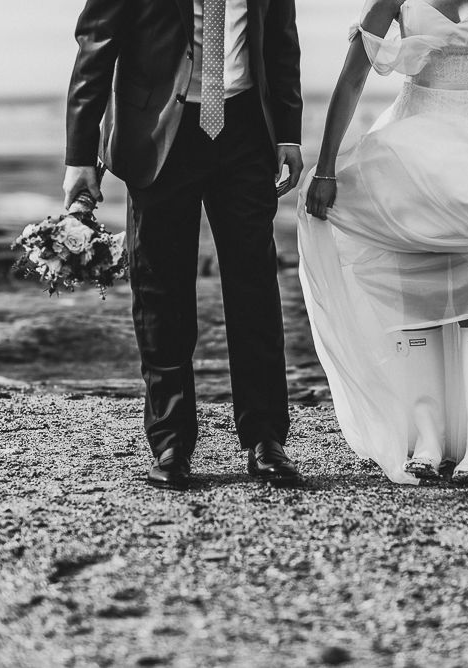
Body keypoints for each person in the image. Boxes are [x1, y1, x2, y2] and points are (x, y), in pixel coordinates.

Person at [63, 0, 304, 490]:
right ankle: (171, 441)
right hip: (158, 136)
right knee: (161, 292)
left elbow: (280, 40)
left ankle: (264, 440)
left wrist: (289, 133)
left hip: (245, 131)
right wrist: (80, 155)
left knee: (255, 288)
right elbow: (96, 45)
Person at [299, 0, 468, 485]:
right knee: (414, 290)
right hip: (411, 150)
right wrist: (325, 167)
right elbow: (352, 77)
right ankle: (426, 439)